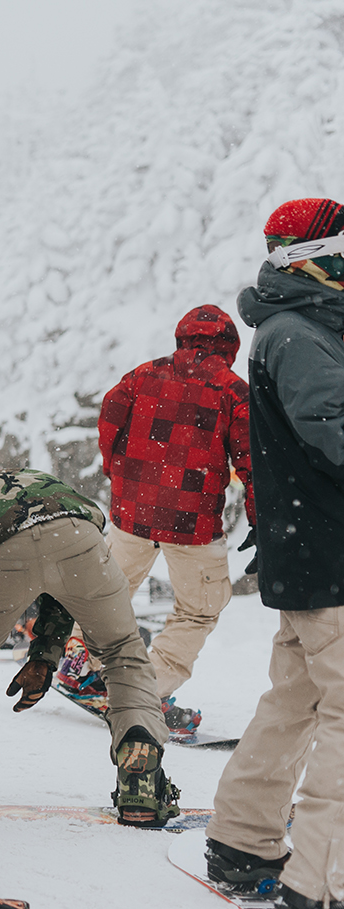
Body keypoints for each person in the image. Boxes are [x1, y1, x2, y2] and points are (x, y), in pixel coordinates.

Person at [0, 468, 181, 830]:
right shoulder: (7, 486)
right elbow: (55, 575)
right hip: (79, 535)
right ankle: (141, 772)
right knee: (121, 650)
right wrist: (44, 655)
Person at [203, 198, 344, 909]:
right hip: (332, 557)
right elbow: (334, 431)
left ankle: (242, 837)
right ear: (316, 257)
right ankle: (319, 880)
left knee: (296, 701)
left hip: (313, 555)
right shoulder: (298, 336)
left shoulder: (302, 328)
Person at [82, 303, 256, 734]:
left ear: (181, 339)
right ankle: (147, 691)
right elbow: (253, 463)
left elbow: (109, 419)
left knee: (108, 594)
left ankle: (80, 661)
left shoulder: (143, 375)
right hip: (192, 525)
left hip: (131, 513)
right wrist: (261, 519)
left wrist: (117, 474)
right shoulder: (234, 392)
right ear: (230, 348)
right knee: (198, 611)